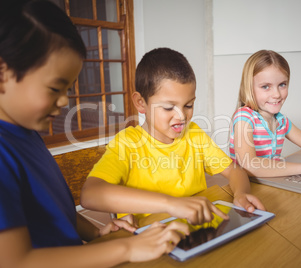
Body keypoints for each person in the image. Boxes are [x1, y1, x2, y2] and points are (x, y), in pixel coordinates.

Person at [0, 1, 189, 267]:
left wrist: (97, 232)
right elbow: (16, 261)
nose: (65, 101)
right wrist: (127, 249)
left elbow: (54, 211)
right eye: (55, 88)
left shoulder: (27, 134)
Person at [80, 47, 265, 225]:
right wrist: (171, 204)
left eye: (189, 105)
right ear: (140, 103)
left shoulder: (194, 134)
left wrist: (241, 193)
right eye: (169, 107)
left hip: (197, 226)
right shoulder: (127, 144)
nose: (181, 116)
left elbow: (234, 170)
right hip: (153, 234)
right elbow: (90, 194)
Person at [229, 50, 301, 178]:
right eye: (265, 86)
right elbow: (250, 164)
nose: (277, 94)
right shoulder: (244, 118)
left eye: (282, 85)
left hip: (272, 180)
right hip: (248, 185)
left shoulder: (281, 121)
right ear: (249, 88)